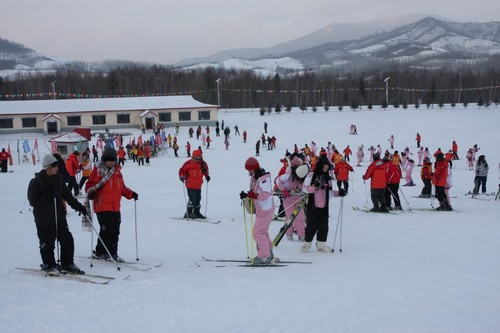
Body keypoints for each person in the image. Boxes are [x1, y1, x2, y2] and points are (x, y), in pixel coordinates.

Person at [27, 154, 87, 274]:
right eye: (55, 166)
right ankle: (49, 264)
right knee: (47, 243)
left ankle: (67, 263)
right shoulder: (36, 181)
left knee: (67, 240)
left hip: (59, 216)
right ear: (48, 168)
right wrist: (49, 195)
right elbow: (33, 201)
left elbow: (68, 196)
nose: (57, 168)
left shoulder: (58, 179)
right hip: (44, 219)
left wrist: (80, 207)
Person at [85, 147, 138, 262]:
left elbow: (121, 188)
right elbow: (89, 185)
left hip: (115, 207)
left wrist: (131, 194)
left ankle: (113, 252)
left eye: (113, 160)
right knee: (107, 229)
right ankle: (101, 252)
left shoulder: (117, 172)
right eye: (108, 160)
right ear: (104, 160)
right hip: (102, 206)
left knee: (115, 230)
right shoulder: (98, 171)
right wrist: (91, 192)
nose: (110, 162)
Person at [239, 157, 276, 264]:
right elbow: (254, 192)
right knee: (262, 232)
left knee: (257, 233)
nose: (248, 172)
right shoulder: (255, 177)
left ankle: (264, 256)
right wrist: (246, 195)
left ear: (254, 168)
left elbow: (266, 194)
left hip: (265, 209)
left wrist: (254, 195)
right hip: (261, 209)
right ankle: (268, 254)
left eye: (249, 170)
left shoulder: (264, 179)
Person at [302, 155, 338, 253]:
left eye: (327, 166)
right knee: (311, 227)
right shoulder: (311, 175)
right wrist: (314, 188)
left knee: (324, 226)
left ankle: (321, 245)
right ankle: (306, 244)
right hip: (313, 206)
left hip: (324, 207)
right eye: (324, 165)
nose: (326, 167)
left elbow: (329, 192)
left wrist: (339, 193)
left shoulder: (327, 178)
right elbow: (304, 188)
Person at [275, 156, 307, 241]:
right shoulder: (287, 175)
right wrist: (284, 190)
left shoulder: (302, 175)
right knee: (289, 217)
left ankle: (301, 234)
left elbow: (304, 185)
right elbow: (278, 181)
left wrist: (301, 190)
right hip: (288, 199)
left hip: (298, 198)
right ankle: (289, 233)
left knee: (300, 217)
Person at [179, 149, 210, 219]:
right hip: (190, 185)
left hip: (198, 185)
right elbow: (182, 170)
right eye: (196, 158)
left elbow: (205, 170)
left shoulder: (202, 163)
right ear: (193, 157)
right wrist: (182, 176)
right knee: (193, 199)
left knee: (198, 199)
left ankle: (196, 213)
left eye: (199, 158)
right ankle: (188, 213)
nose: (197, 160)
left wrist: (207, 176)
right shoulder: (188, 163)